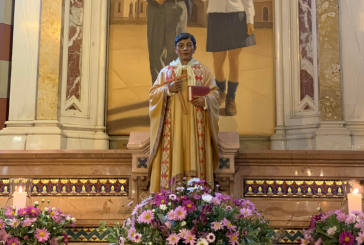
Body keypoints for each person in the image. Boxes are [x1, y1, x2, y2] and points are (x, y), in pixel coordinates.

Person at [149, 33, 220, 193]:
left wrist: (206, 100)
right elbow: (153, 94)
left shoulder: (203, 71)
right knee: (174, 151)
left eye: (189, 45)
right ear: (175, 49)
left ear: (194, 48)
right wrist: (167, 90)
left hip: (197, 127)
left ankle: (197, 193)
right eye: (181, 45)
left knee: (196, 155)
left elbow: (215, 93)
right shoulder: (166, 72)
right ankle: (171, 193)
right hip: (172, 127)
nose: (185, 48)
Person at [206, 0, 256, 116]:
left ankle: (231, 98)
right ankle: (221, 92)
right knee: (218, 61)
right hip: (216, 16)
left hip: (236, 16)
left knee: (234, 61)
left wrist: (250, 20)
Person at [146, 0, 193, 84]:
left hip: (178, 6)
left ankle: (172, 90)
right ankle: (159, 90)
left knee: (177, 52)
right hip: (155, 7)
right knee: (156, 52)